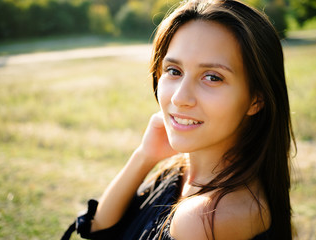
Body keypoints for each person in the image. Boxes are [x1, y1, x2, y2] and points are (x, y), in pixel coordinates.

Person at [62, 0, 295, 239]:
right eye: (174, 71)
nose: (180, 97)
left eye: (212, 77)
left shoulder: (204, 218)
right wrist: (144, 156)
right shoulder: (180, 171)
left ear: (256, 99)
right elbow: (100, 228)